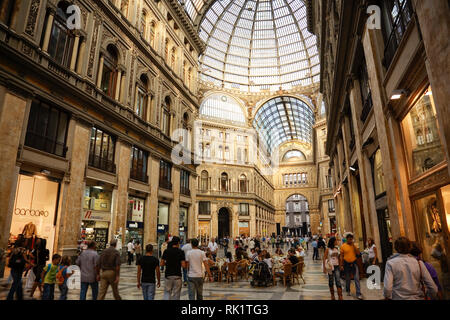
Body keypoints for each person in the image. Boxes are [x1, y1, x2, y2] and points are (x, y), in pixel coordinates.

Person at [339, 233, 363, 300]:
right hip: (346, 263)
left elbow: (358, 253)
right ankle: (348, 290)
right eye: (349, 239)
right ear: (347, 239)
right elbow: (341, 256)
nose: (350, 240)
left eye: (351, 239)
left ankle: (358, 293)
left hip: (354, 263)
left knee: (356, 278)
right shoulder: (343, 246)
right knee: (348, 278)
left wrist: (354, 246)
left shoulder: (353, 246)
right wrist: (341, 265)